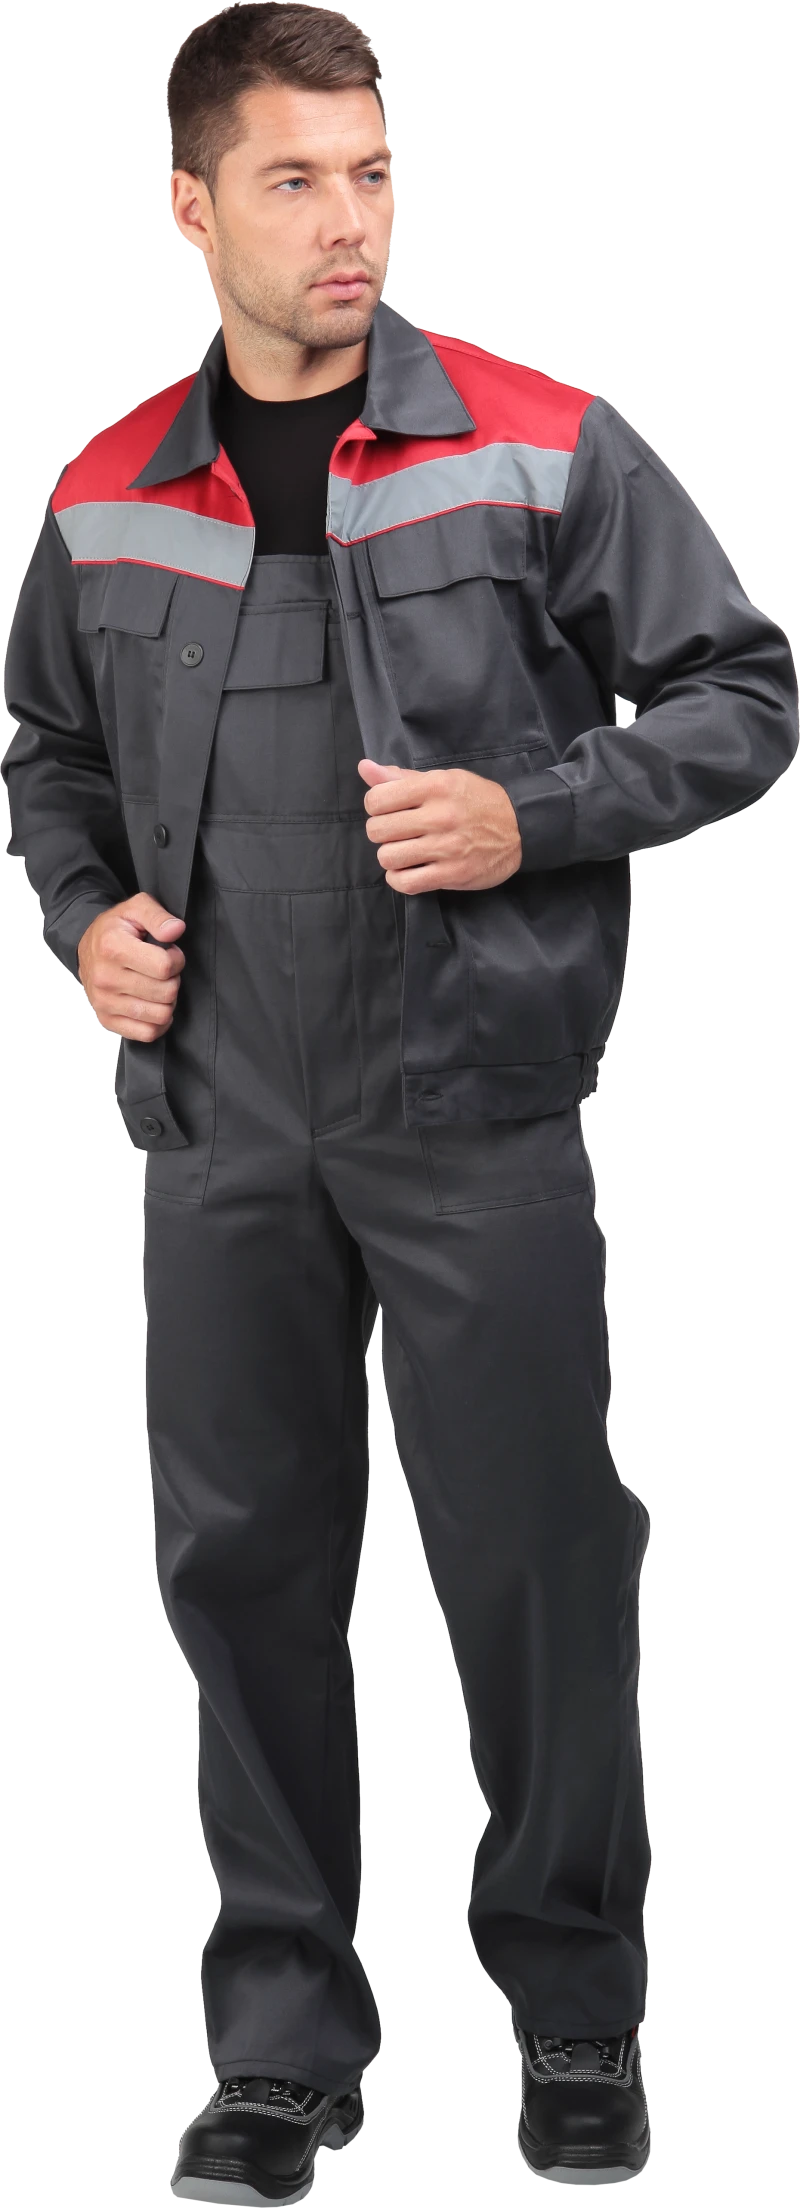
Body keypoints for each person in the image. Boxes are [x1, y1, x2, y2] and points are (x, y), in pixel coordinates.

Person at [3, 5, 797, 2195]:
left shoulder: (543, 445)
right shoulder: (102, 493)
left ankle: (577, 2021)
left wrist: (535, 812)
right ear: (192, 208)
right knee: (242, 1564)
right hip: (219, 1109)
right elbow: (50, 761)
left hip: (473, 1099)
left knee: (536, 1557)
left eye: (371, 172)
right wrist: (81, 919)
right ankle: (282, 2047)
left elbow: (744, 693)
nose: (348, 221)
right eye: (295, 179)